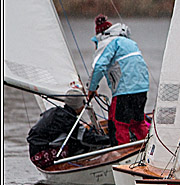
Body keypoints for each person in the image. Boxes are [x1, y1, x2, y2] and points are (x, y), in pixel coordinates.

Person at [88, 15, 151, 145]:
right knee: (137, 123)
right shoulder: (129, 42)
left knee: (118, 124)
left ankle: (121, 154)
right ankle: (149, 148)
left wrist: (91, 88)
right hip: (142, 89)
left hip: (124, 91)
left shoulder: (107, 42)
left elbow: (99, 66)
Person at [27, 89, 111, 168]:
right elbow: (86, 138)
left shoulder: (57, 112)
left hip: (35, 151)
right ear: (78, 105)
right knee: (80, 145)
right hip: (41, 156)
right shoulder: (67, 120)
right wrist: (110, 140)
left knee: (75, 140)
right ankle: (83, 166)